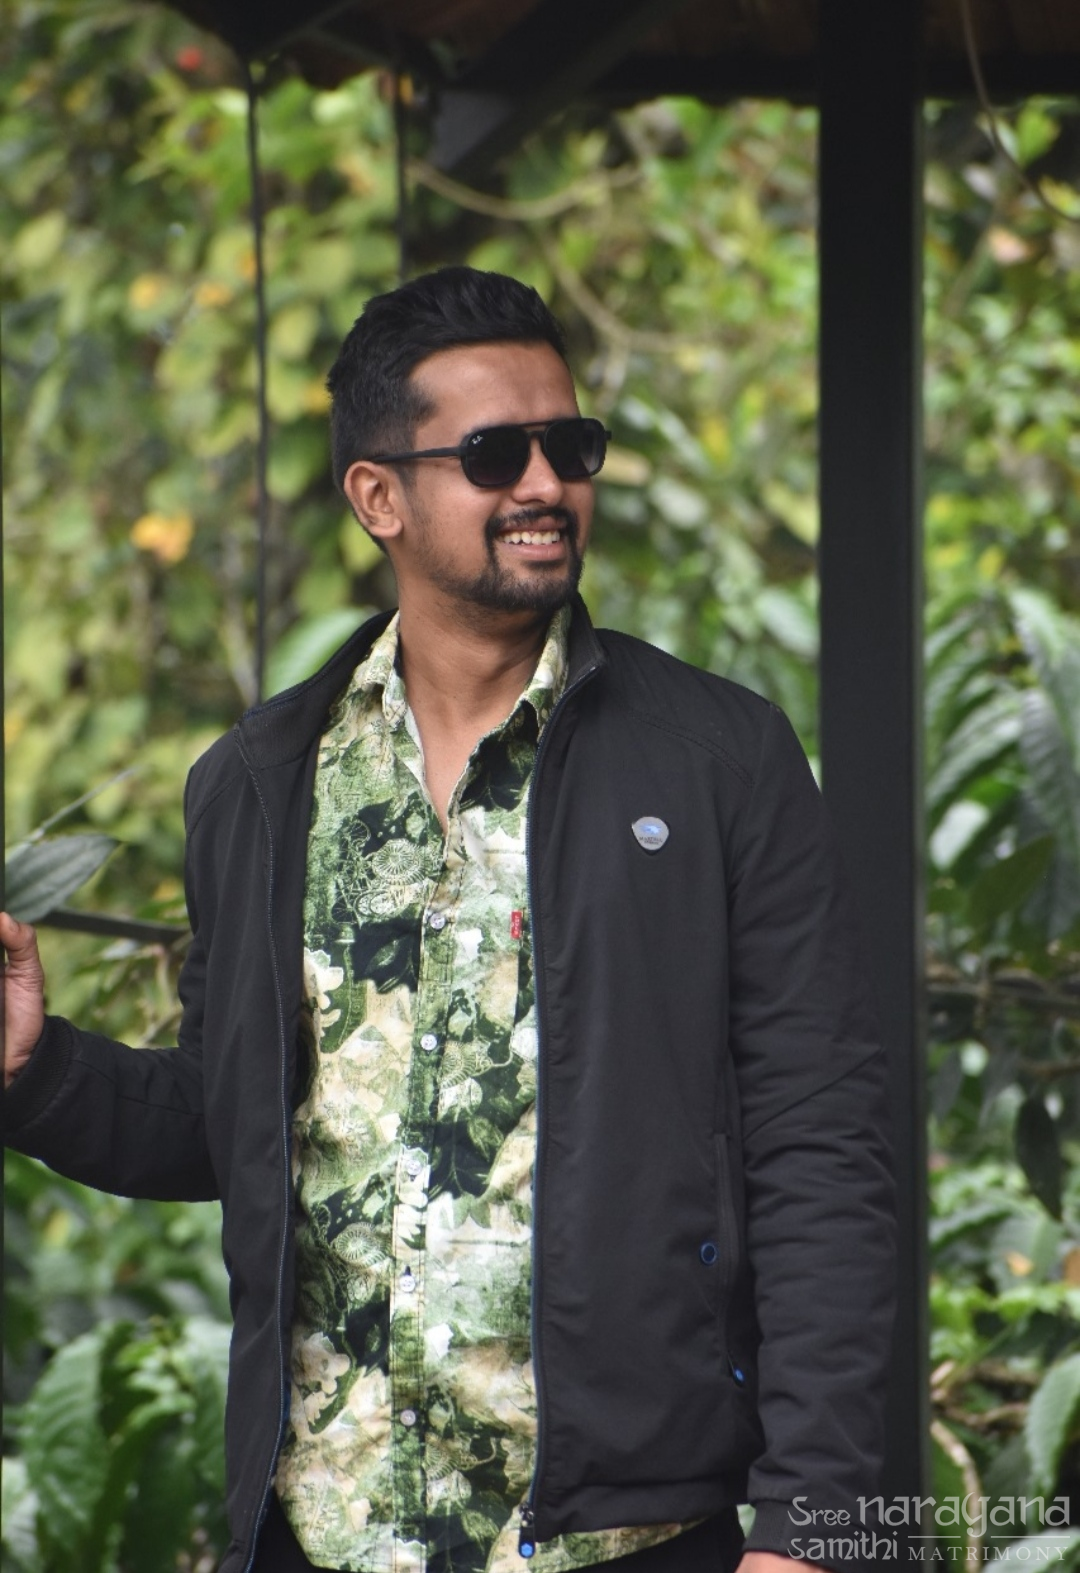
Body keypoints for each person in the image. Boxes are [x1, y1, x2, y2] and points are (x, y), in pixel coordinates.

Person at [2, 266, 894, 1573]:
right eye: (493, 455)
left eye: (569, 447)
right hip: (325, 1531)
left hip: (624, 1536)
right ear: (379, 497)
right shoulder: (258, 784)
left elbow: (822, 1145)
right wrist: (35, 1068)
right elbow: (232, 1122)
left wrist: (813, 1524)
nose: (544, 483)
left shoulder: (721, 763)